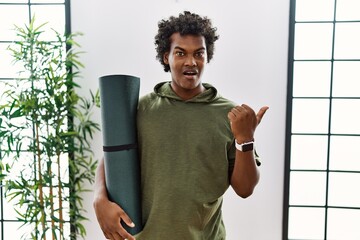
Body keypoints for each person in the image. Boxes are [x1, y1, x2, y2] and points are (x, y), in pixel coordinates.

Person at [93, 11, 268, 240]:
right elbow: (112, 156)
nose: (191, 62)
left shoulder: (229, 115)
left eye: (199, 53)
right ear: (166, 57)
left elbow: (244, 190)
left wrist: (245, 139)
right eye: (180, 53)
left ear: (207, 57)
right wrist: (99, 198)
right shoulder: (142, 108)